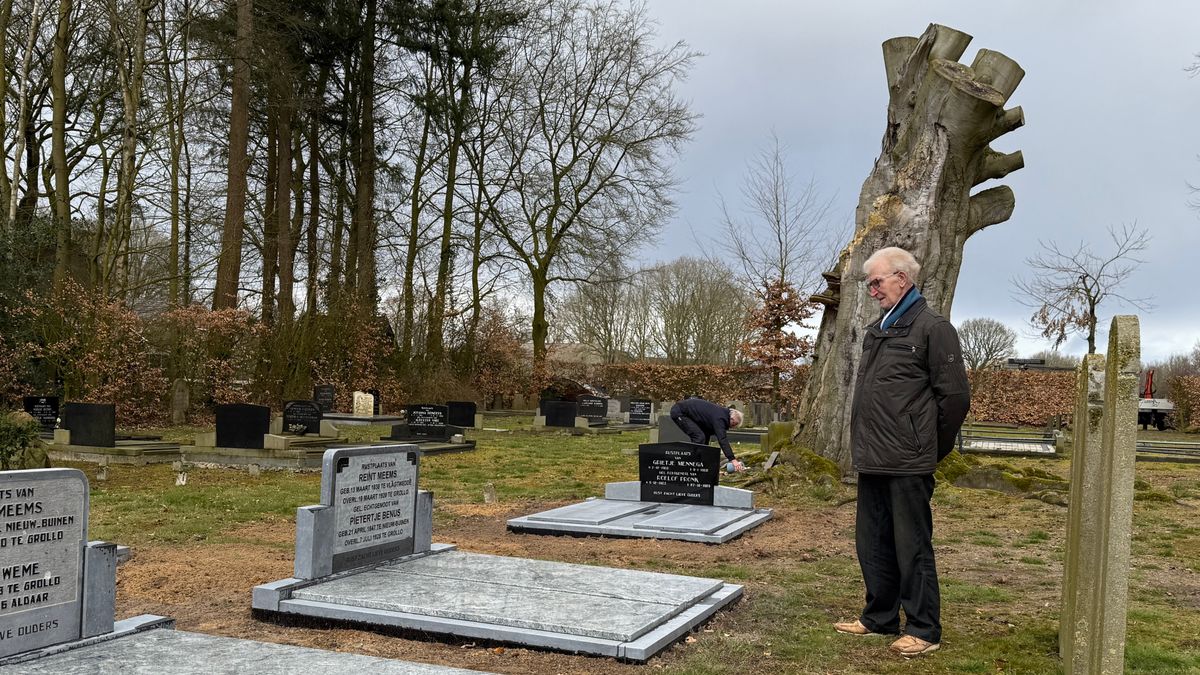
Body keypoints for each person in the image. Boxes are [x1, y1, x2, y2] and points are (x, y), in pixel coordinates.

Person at [833, 247, 970, 658]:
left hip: (909, 460)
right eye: (870, 283)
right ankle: (880, 617)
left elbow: (955, 399)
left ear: (902, 279)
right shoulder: (881, 328)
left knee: (911, 546)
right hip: (873, 456)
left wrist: (928, 447)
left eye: (877, 281)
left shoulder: (933, 328)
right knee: (872, 542)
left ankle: (925, 629)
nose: (872, 290)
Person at [669, 397, 746, 471]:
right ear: (732, 418)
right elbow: (722, 439)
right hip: (680, 412)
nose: (731, 427)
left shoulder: (722, 415)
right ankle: (690, 465)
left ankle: (699, 465)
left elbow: (706, 434)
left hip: (688, 413)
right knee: (699, 437)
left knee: (702, 438)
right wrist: (732, 459)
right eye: (733, 424)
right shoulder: (720, 418)